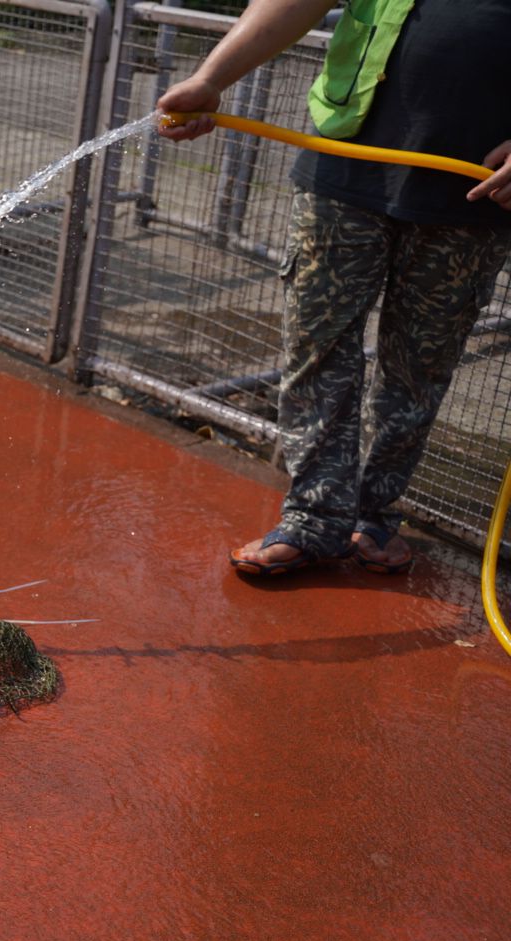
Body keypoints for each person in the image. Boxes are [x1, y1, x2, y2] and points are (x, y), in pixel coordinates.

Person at [158, 0, 511, 576]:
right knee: (316, 350)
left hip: (471, 196)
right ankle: (312, 519)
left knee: (419, 368)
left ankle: (372, 517)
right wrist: (209, 78)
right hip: (345, 169)